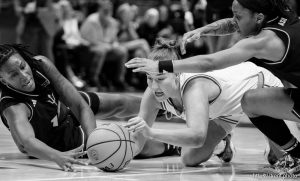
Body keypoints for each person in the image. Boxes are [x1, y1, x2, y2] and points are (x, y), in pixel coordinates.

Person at [125, 0, 300, 175]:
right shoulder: (278, 17)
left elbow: (209, 62)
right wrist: (203, 30)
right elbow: (233, 23)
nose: (234, 21)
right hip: (229, 105)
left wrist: (160, 66)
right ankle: (227, 145)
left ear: (259, 17)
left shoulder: (263, 41)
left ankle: (291, 153)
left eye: (238, 16)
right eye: (150, 78)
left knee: (279, 160)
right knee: (189, 158)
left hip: (257, 84)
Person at [0, 44, 181, 172]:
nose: (23, 76)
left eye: (23, 67)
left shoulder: (40, 64)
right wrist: (57, 156)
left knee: (121, 102)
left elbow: (79, 105)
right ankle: (175, 147)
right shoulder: (13, 106)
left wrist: (94, 137)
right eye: (13, 75)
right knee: (130, 145)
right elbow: (27, 143)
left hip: (63, 109)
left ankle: (174, 108)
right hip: (59, 141)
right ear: (3, 80)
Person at [125, 38, 284, 167]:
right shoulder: (152, 93)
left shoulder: (194, 87)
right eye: (149, 78)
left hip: (259, 89)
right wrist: (116, 156)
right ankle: (223, 144)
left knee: (283, 161)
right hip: (225, 110)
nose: (154, 86)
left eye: (160, 79)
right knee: (189, 158)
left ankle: (271, 136)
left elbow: (196, 137)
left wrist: (151, 133)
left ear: (178, 74)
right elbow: (138, 140)